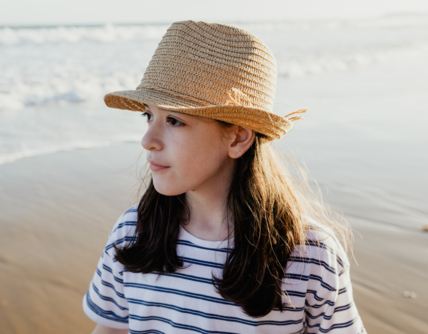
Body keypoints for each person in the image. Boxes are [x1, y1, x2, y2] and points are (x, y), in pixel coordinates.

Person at [83, 20, 367, 333]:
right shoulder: (133, 232)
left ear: (237, 138)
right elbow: (110, 329)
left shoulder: (310, 255)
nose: (147, 139)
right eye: (149, 115)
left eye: (174, 120)